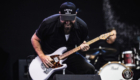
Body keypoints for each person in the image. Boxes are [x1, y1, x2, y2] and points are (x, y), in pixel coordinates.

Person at [31, 2, 95, 80]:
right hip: (49, 57)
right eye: (64, 18)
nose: (67, 21)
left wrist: (85, 47)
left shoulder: (82, 26)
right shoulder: (48, 23)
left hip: (69, 55)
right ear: (59, 14)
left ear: (76, 14)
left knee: (89, 68)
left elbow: (84, 43)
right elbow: (34, 39)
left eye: (70, 18)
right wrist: (42, 56)